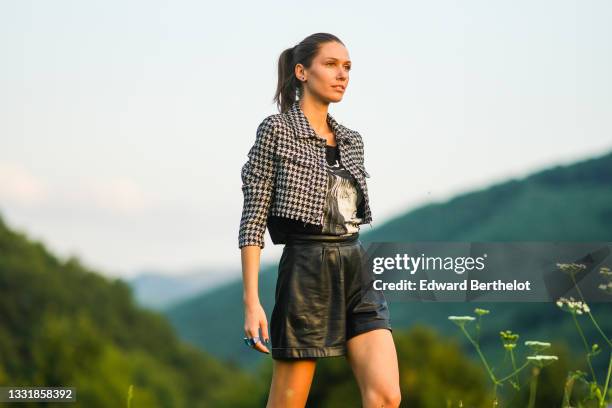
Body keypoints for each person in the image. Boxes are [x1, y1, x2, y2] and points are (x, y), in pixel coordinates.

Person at [238, 33, 401, 408]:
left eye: (347, 67)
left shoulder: (352, 140)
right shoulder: (276, 130)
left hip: (357, 269)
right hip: (306, 272)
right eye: (331, 64)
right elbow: (252, 220)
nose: (342, 74)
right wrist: (252, 301)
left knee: (387, 397)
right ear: (301, 71)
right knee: (288, 403)